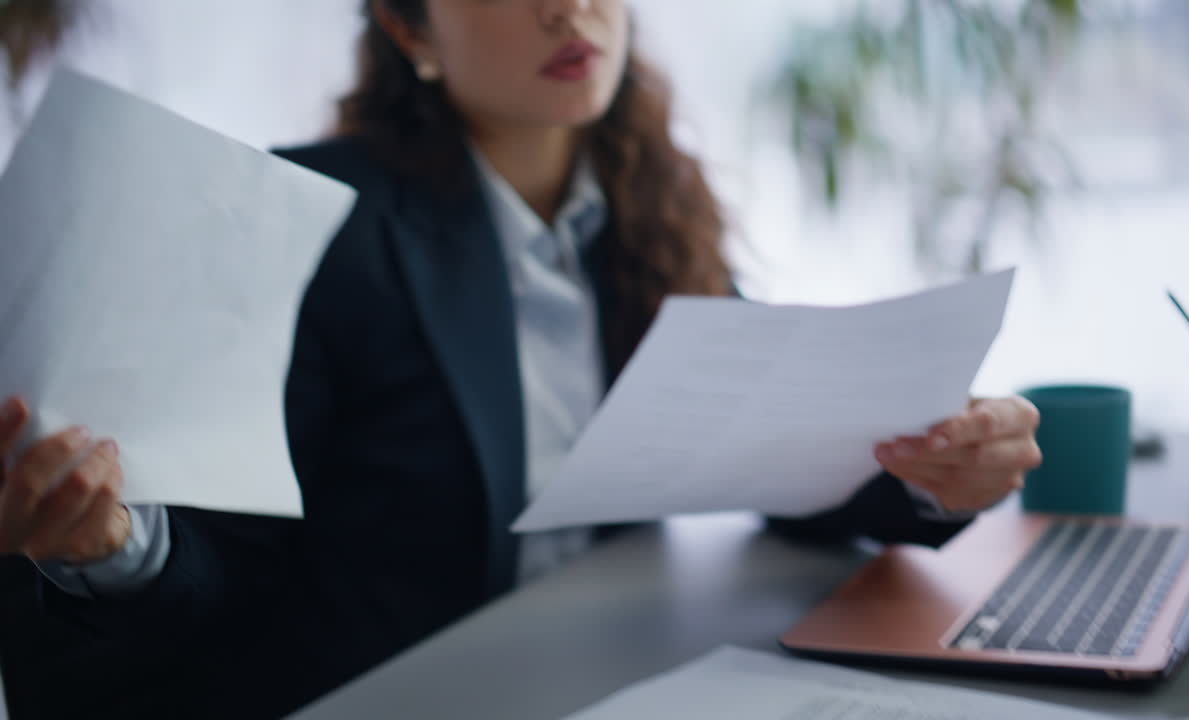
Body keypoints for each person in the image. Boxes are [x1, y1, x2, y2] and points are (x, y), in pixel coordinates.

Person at [0, 0, 1043, 717]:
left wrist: (935, 467)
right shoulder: (319, 225)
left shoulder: (647, 215)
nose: (568, 4)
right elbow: (225, 563)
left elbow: (767, 452)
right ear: (410, 28)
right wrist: (110, 544)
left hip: (624, 673)